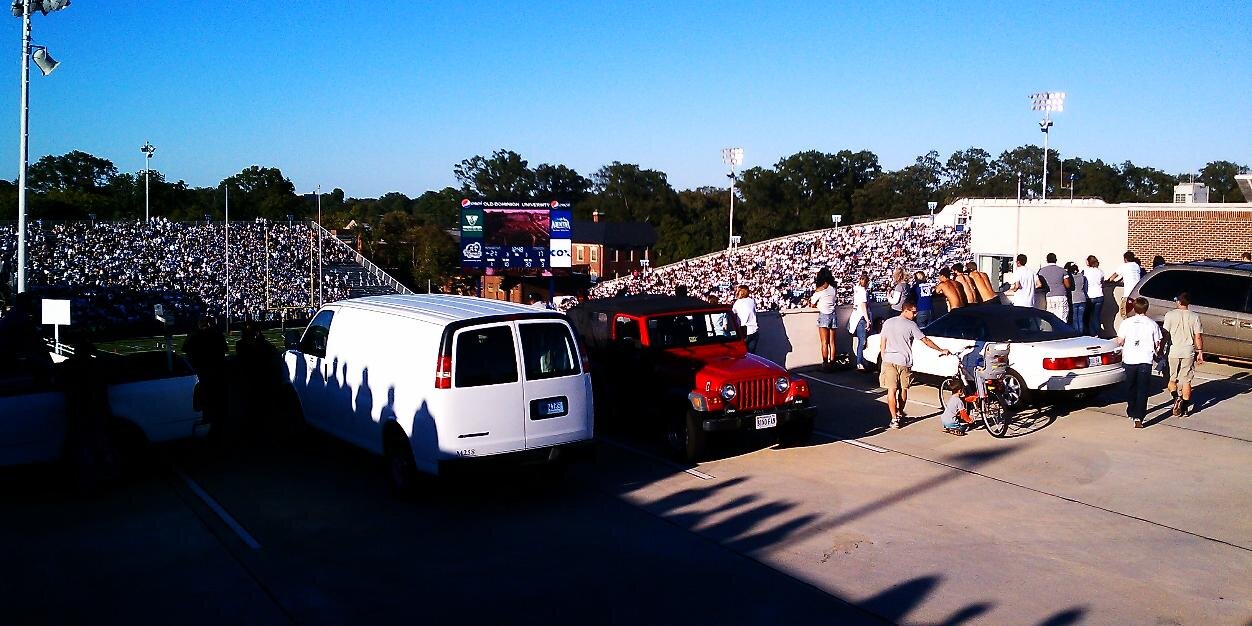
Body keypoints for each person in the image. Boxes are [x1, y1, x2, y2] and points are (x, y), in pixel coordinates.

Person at [879, 300, 951, 429]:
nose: (915, 314)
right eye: (913, 312)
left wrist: (884, 357)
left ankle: (894, 418)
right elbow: (925, 340)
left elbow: (883, 342)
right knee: (903, 389)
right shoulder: (911, 325)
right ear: (905, 310)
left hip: (889, 360)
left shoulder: (888, 322)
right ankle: (899, 413)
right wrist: (940, 350)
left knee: (891, 390)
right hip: (904, 362)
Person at [1114, 297, 1162, 428]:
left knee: (1130, 386)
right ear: (1146, 309)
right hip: (1145, 359)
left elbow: (1119, 341)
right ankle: (1139, 416)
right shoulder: (1152, 324)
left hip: (1130, 359)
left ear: (1134, 308)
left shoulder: (1126, 323)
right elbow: (1157, 343)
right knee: (1143, 388)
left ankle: (1131, 409)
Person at [1162, 292, 1204, 417]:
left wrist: (1160, 349)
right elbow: (1198, 336)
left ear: (1179, 302)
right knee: (1186, 380)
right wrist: (1200, 351)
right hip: (1188, 351)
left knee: (1172, 379)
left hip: (1174, 350)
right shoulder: (1195, 316)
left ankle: (1176, 398)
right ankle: (1185, 408)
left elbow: (1165, 334)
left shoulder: (1170, 315)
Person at [183, 316, 228, 428]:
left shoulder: (194, 336)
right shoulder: (217, 335)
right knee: (216, 395)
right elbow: (225, 351)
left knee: (205, 394)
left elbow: (185, 349)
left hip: (201, 370)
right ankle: (217, 419)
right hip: (216, 370)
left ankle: (206, 418)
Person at [811, 268, 838, 371]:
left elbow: (812, 303)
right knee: (832, 342)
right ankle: (832, 363)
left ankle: (825, 364)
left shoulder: (820, 290)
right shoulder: (833, 288)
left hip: (824, 315)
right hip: (833, 315)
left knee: (824, 342)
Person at [1108, 251, 1143, 321]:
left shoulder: (1124, 266)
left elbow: (1112, 277)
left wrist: (1108, 282)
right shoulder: (1136, 266)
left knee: (1124, 314)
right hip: (1137, 294)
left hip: (1128, 295)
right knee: (1136, 315)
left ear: (1125, 259)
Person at [1038, 253, 1069, 322]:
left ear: (1047, 260)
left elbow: (1039, 284)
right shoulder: (1062, 270)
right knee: (1062, 318)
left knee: (1051, 318)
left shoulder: (1042, 271)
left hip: (1049, 296)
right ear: (1056, 260)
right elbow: (1067, 285)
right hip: (1061, 295)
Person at [732, 285, 759, 354]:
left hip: (744, 331)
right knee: (752, 355)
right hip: (754, 330)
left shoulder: (737, 303)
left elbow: (733, 313)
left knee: (744, 354)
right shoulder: (752, 301)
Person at [1082, 255, 1105, 337]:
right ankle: (1098, 333)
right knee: (1097, 316)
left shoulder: (1085, 271)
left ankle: (1092, 334)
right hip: (1100, 295)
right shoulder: (1100, 271)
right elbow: (1102, 282)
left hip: (1090, 296)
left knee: (1090, 317)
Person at [1065, 262, 1089, 334]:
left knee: (1075, 319)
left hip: (1074, 299)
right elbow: (1085, 287)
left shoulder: (1070, 277)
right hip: (1082, 298)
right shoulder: (1082, 276)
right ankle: (1081, 333)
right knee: (1081, 318)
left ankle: (1076, 334)